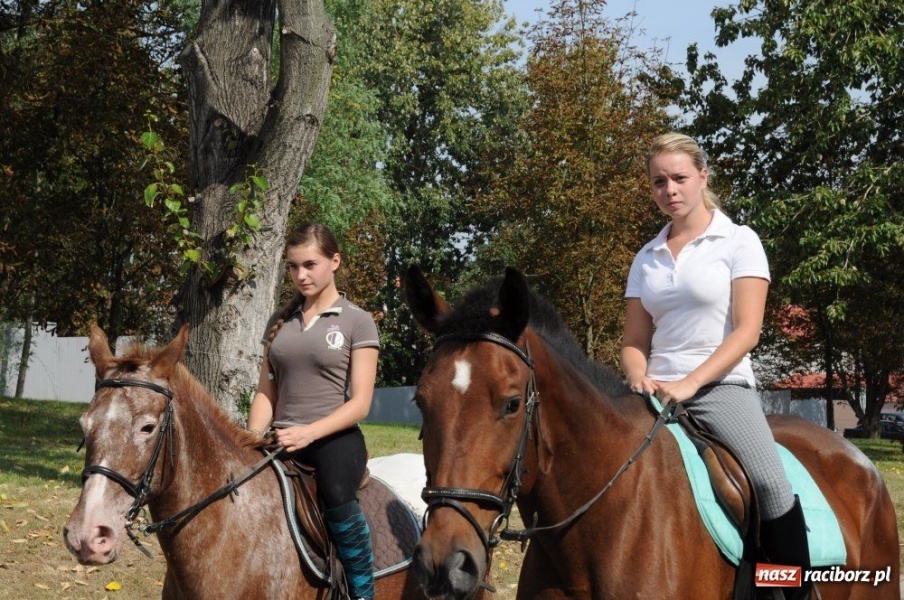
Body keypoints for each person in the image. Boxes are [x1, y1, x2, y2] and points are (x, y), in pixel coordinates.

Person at [620, 133, 811, 599]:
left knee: (768, 481)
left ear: (703, 176)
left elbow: (747, 331)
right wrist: (636, 375)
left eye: (680, 178)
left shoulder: (739, 241)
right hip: (652, 392)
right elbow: (633, 341)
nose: (671, 190)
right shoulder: (646, 258)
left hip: (721, 387)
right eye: (659, 181)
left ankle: (796, 591)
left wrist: (689, 383)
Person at [248, 223, 379, 600]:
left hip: (334, 439)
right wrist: (252, 437)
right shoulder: (280, 322)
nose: (300, 275)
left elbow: (360, 403)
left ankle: (361, 591)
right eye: (292, 267)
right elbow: (265, 392)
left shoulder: (357, 321)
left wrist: (308, 433)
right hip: (280, 438)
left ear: (334, 262)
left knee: (337, 494)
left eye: (310, 264)